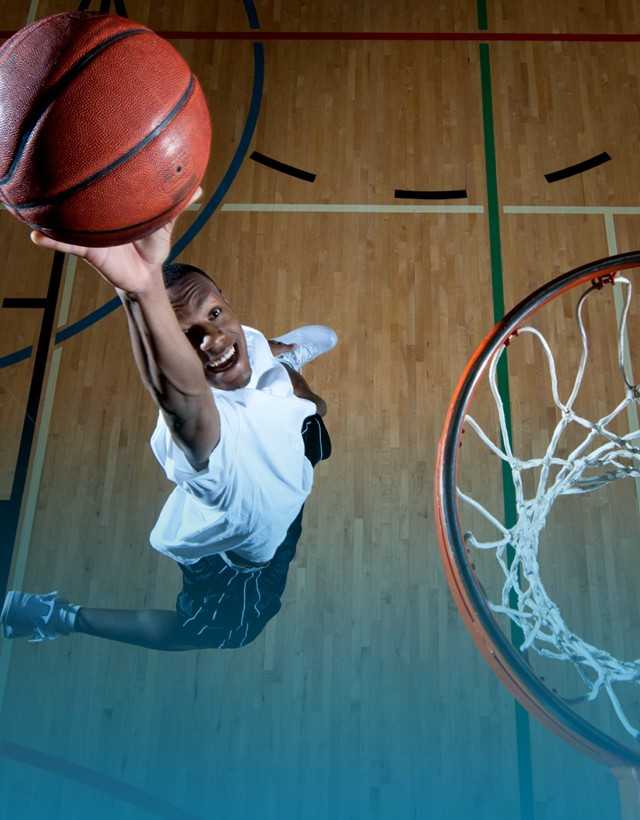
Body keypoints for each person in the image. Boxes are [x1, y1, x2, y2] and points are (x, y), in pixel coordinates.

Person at [0, 188, 336, 651]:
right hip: (239, 553)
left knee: (310, 415)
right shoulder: (211, 448)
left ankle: (282, 361)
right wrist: (138, 289)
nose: (213, 339)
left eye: (215, 313)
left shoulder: (235, 345)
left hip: (281, 469)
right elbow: (182, 396)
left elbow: (215, 342)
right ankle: (60, 617)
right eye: (187, 337)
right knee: (224, 634)